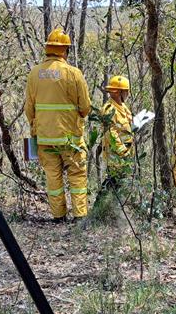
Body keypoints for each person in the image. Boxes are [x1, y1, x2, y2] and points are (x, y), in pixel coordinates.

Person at [24, 27, 91, 223]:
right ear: (65, 50)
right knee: (77, 176)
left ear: (48, 48)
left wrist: (38, 127)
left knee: (53, 178)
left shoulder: (34, 74)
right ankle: (80, 216)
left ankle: (58, 216)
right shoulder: (73, 73)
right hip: (70, 138)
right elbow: (85, 107)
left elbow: (29, 109)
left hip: (44, 138)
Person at [101, 74, 134, 185]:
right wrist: (122, 152)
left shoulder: (123, 107)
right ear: (119, 92)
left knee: (120, 186)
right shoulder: (109, 109)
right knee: (114, 185)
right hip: (115, 157)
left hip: (125, 155)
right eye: (126, 91)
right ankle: (100, 202)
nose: (128, 94)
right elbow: (110, 133)